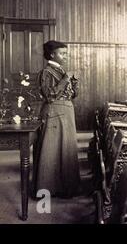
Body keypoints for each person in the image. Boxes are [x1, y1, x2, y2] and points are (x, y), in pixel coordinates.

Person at [33, 41, 80, 198]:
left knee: (66, 150)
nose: (66, 56)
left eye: (66, 53)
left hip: (66, 112)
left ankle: (65, 188)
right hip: (54, 113)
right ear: (52, 54)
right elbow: (50, 96)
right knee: (51, 152)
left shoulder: (61, 71)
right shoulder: (46, 72)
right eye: (62, 53)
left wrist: (74, 82)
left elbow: (73, 95)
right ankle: (47, 189)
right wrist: (66, 79)